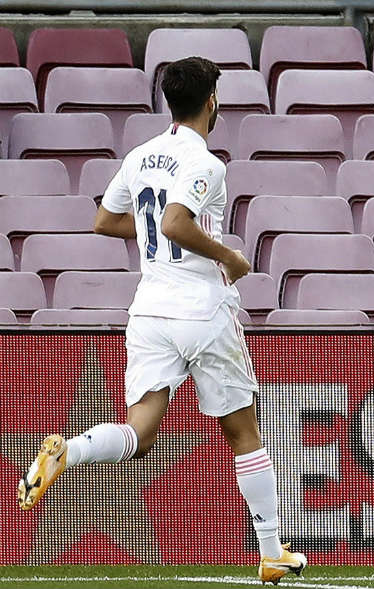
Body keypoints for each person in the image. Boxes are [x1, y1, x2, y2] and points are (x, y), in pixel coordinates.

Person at [17, 56, 306, 585]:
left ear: (168, 102)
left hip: (149, 310)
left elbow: (104, 220)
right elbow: (175, 223)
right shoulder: (208, 163)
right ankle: (271, 551)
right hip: (201, 307)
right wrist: (230, 257)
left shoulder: (142, 154)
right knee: (243, 431)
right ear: (212, 102)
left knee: (141, 430)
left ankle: (70, 451)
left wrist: (152, 225)